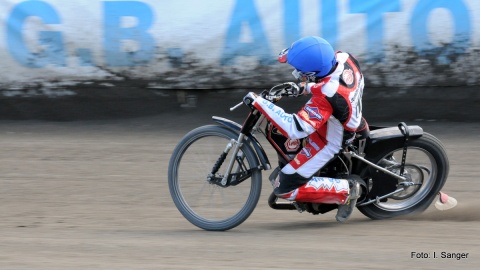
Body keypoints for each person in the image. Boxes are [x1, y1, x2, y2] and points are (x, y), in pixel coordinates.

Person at [243, 36, 369, 222]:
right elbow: (328, 81)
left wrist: (260, 103)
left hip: (330, 141)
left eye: (299, 72)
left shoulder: (327, 95)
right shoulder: (344, 58)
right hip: (347, 118)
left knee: (284, 188)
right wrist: (302, 88)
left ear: (312, 73)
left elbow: (295, 128)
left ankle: (348, 190)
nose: (296, 73)